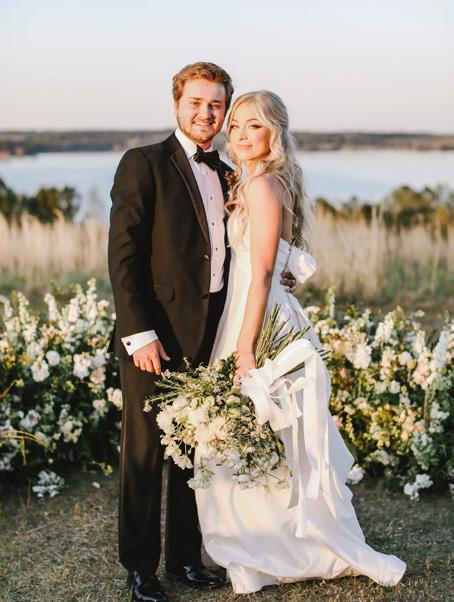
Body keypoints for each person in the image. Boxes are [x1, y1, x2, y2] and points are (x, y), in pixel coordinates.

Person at [195, 90, 407, 594]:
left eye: (254, 126)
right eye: (236, 126)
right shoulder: (256, 180)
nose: (241, 135)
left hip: (256, 319)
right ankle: (258, 547)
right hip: (251, 309)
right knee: (254, 435)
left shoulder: (263, 185)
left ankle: (280, 550)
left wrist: (245, 349)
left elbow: (264, 272)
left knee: (268, 432)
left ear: (275, 132)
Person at [107, 64, 296, 602]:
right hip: (154, 337)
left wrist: (281, 270)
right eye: (196, 102)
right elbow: (123, 256)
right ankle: (141, 569)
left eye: (216, 104)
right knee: (144, 454)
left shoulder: (234, 174)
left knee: (195, 450)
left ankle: (186, 559)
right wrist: (138, 333)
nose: (205, 113)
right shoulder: (144, 163)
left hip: (214, 331)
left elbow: (247, 250)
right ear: (177, 104)